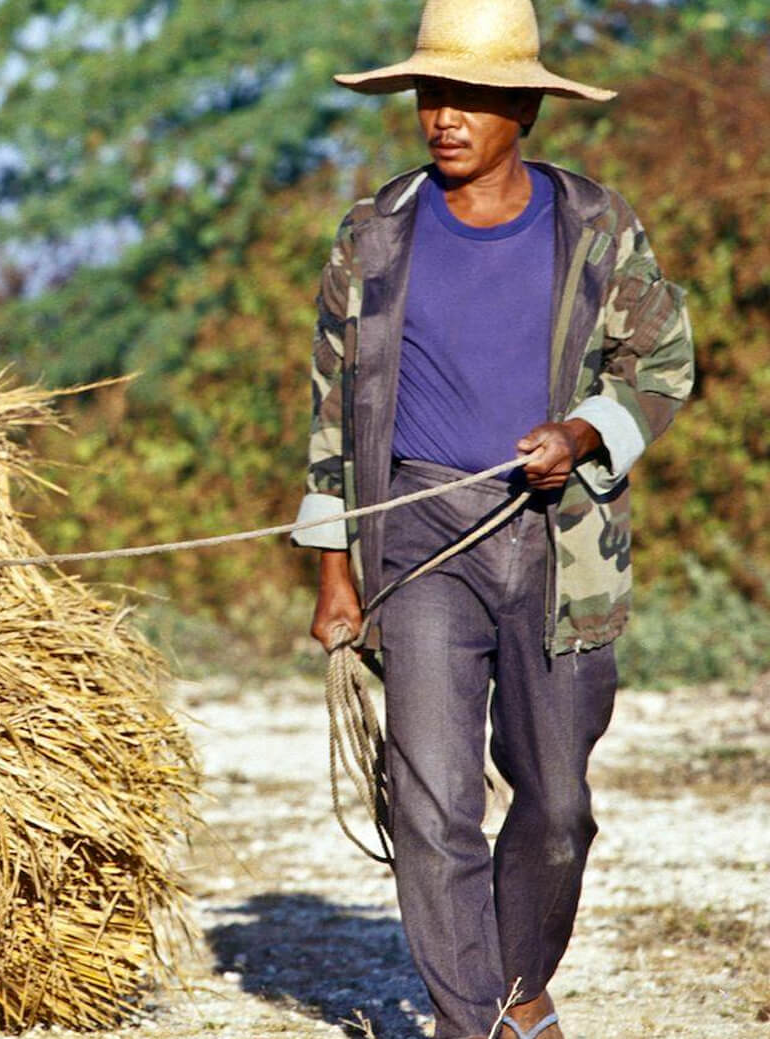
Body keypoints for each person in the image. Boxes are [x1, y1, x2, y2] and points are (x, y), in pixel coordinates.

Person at [290, 1, 695, 1037]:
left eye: (470, 97)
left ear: (524, 108)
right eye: (432, 95)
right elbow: (334, 413)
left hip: (561, 543)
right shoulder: (373, 236)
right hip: (420, 541)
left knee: (557, 810)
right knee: (433, 805)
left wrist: (584, 432)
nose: (444, 117)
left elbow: (663, 367)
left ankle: (517, 985)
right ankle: (475, 1020)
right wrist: (335, 570)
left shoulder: (596, 227)